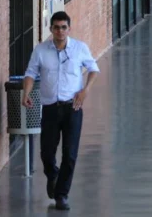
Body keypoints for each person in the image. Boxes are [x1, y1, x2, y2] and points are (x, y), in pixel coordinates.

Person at [22, 11, 99, 211]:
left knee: (70, 154)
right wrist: (26, 93)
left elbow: (93, 69)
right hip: (50, 109)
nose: (60, 31)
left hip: (73, 108)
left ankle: (61, 195)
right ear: (51, 29)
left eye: (64, 27)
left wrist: (85, 91)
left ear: (69, 29)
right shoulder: (40, 50)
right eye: (56, 27)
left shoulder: (80, 48)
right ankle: (53, 175)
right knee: (47, 153)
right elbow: (31, 73)